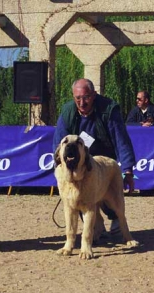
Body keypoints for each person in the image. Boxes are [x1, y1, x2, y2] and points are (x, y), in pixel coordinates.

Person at [53, 78, 136, 236]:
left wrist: (128, 171)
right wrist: (60, 171)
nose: (82, 102)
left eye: (86, 97)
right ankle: (96, 228)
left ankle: (115, 219)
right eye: (78, 98)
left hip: (105, 154)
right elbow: (59, 144)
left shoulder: (109, 110)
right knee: (78, 196)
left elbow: (121, 140)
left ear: (94, 95)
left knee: (106, 194)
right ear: (73, 97)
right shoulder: (67, 112)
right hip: (79, 160)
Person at [126, 90, 154, 196]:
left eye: (139, 99)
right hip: (138, 145)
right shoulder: (135, 111)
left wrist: (150, 125)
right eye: (136, 98)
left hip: (152, 145)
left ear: (146, 100)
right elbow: (128, 123)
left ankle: (149, 187)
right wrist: (140, 125)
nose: (137, 101)